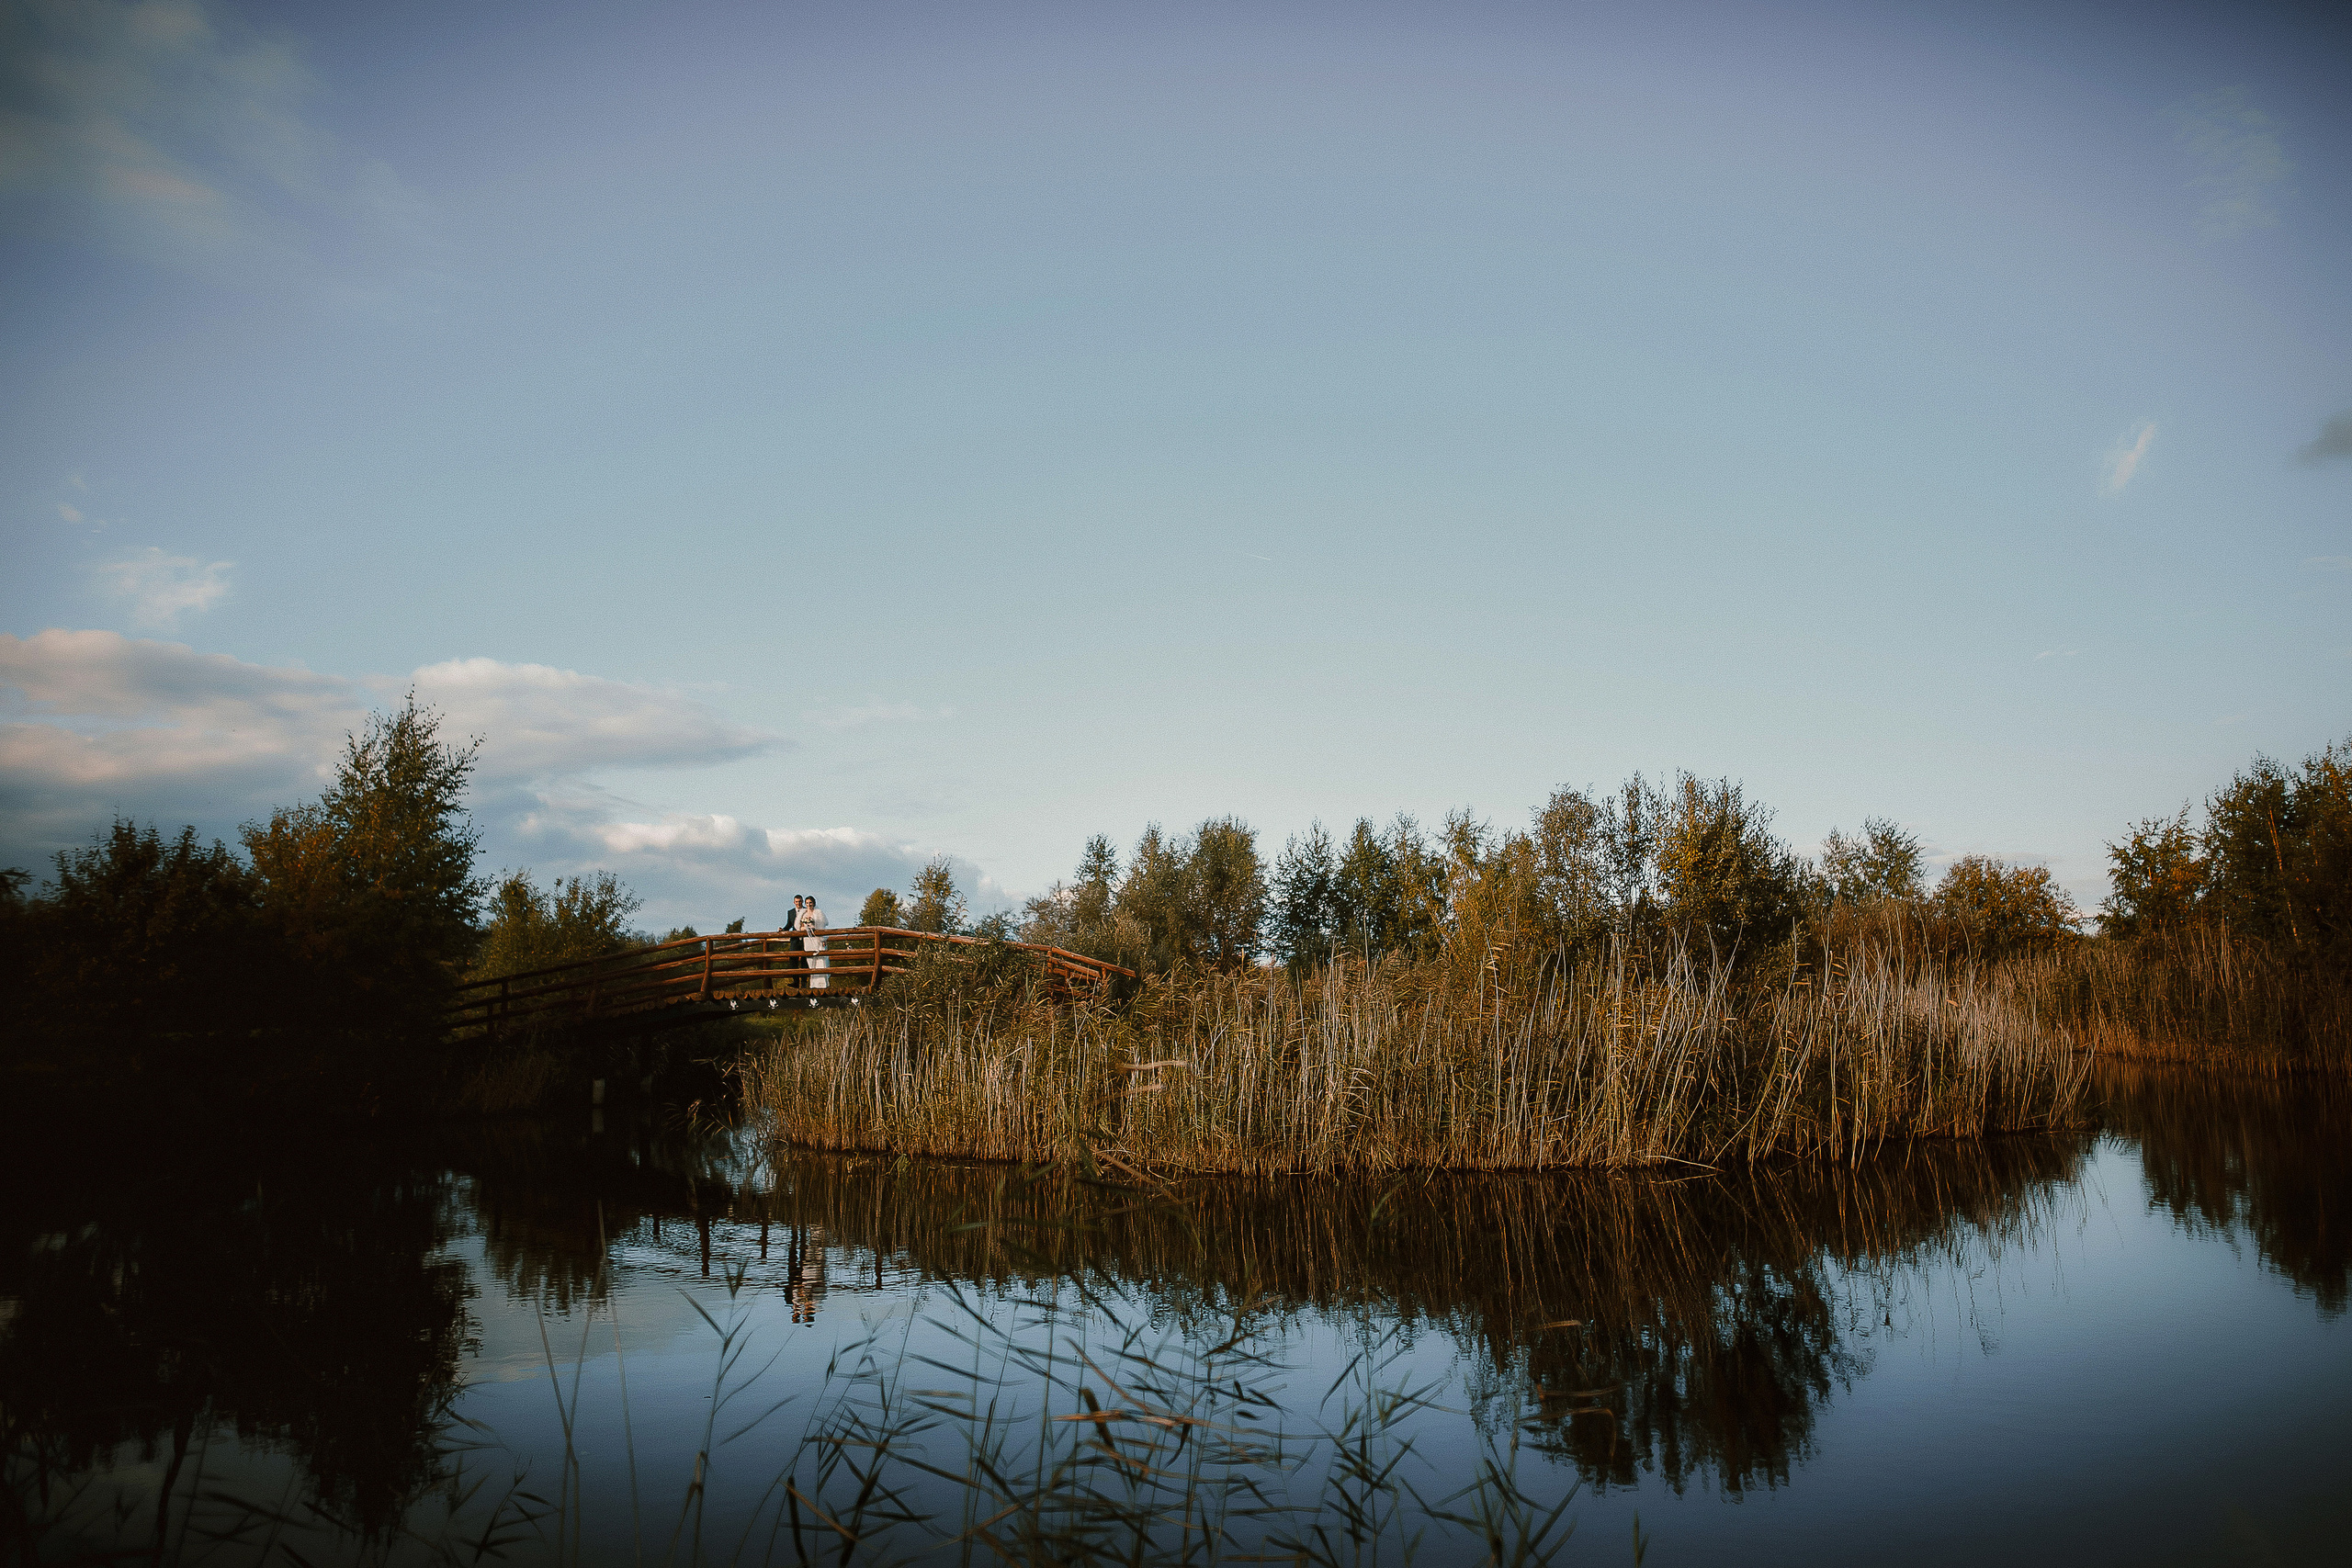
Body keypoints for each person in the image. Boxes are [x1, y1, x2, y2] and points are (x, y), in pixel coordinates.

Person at [798, 894, 829, 989]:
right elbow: (799, 927)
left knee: (819, 959)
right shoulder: (803, 914)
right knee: (810, 960)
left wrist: (813, 927)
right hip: (807, 939)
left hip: (816, 938)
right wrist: (805, 927)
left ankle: (822, 983)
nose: (809, 905)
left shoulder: (818, 913)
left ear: (814, 903)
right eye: (807, 903)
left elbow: (821, 926)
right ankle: (813, 984)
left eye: (810, 903)